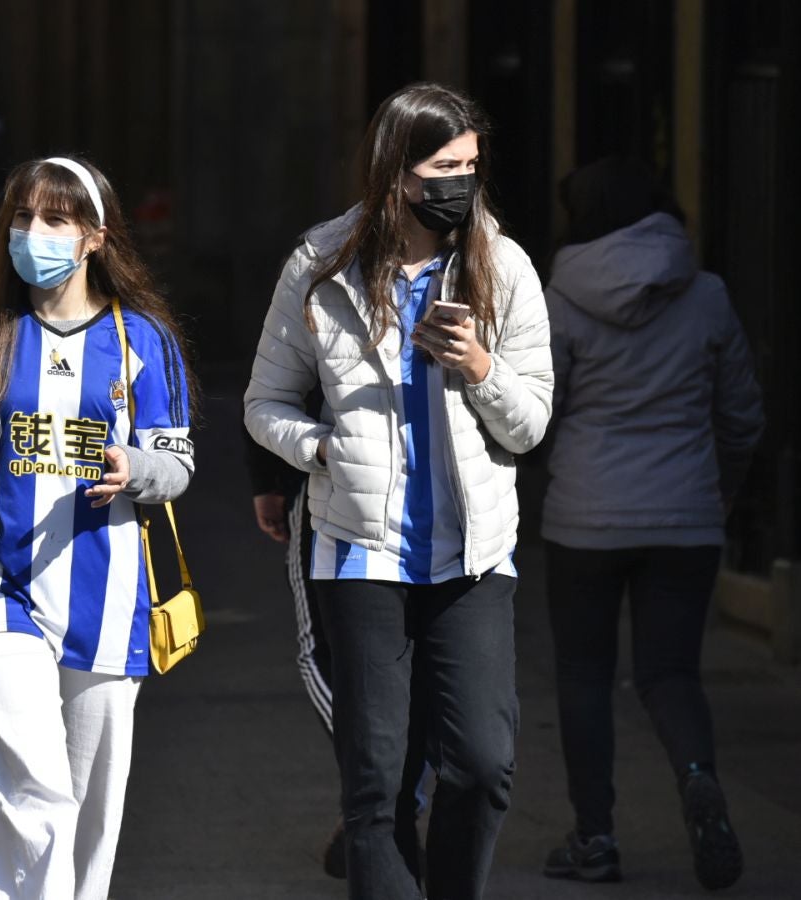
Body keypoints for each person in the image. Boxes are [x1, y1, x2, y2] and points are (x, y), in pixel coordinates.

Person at [245, 82, 553, 900]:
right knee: (377, 786)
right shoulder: (323, 264)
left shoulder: (505, 267)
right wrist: (321, 449)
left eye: (471, 167)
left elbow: (531, 427)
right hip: (360, 554)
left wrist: (482, 370)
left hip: (474, 557)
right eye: (443, 167)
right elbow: (262, 402)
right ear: (395, 174)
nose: (462, 184)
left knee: (483, 766)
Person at [0, 155, 196, 899]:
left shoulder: (146, 341)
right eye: (22, 217)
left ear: (95, 238)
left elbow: (178, 467)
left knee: (90, 809)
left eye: (54, 219)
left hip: (109, 603)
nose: (32, 233)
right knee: (32, 790)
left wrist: (134, 468)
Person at [539, 156, 762, 891]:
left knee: (584, 674)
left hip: (586, 519)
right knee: (670, 673)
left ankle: (596, 839)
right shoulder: (707, 295)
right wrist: (716, 493)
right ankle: (698, 777)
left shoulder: (562, 296)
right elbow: (741, 416)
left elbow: (541, 414)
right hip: (686, 518)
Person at [245, 426, 430, 883]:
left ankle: (388, 764)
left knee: (320, 650)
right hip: (427, 479)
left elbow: (271, 388)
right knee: (409, 646)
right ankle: (396, 768)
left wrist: (266, 483)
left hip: (324, 488)